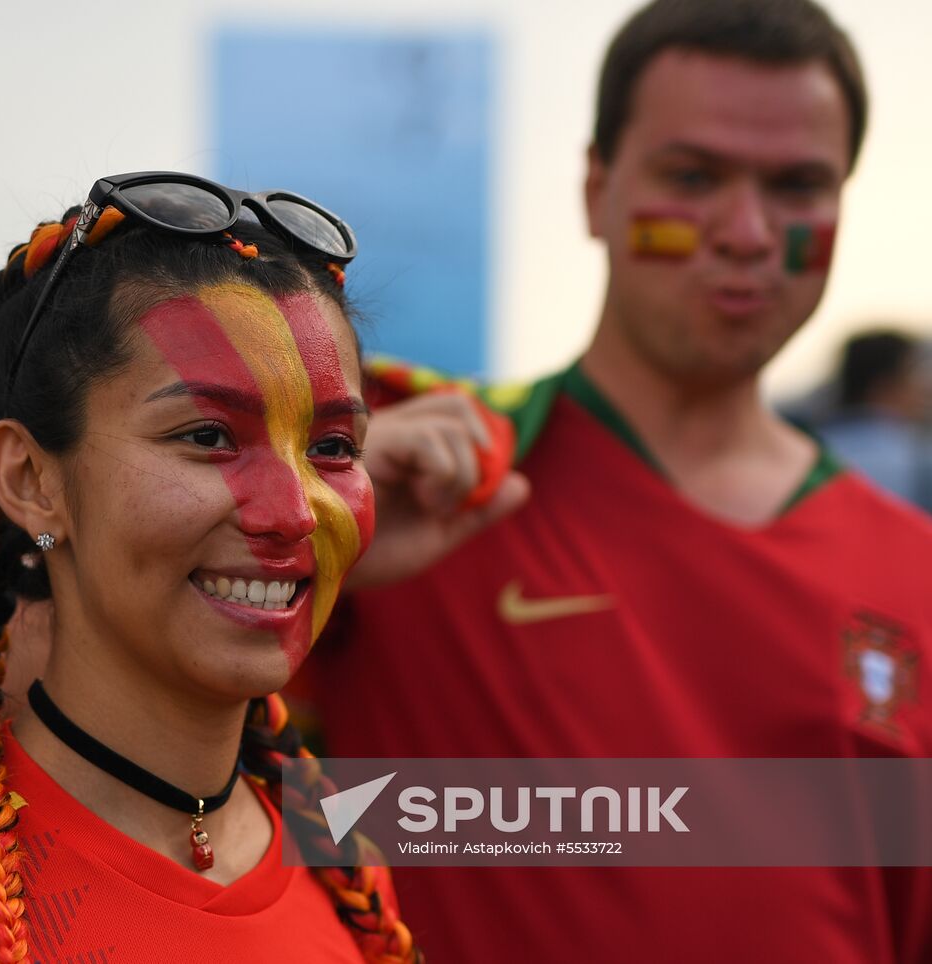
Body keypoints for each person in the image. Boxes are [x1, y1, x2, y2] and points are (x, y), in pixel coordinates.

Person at [305, 0, 932, 961]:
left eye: (798, 185)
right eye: (693, 176)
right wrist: (310, 547)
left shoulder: (911, 569)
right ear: (595, 192)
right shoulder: (412, 478)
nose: (748, 232)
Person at [0, 172, 421, 963]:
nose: (294, 512)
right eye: (206, 437)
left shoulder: (341, 862)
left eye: (333, 448)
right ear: (30, 480)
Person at [816, 329, 932, 508]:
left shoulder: (810, 447)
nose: (925, 387)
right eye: (915, 373)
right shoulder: (916, 459)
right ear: (884, 384)